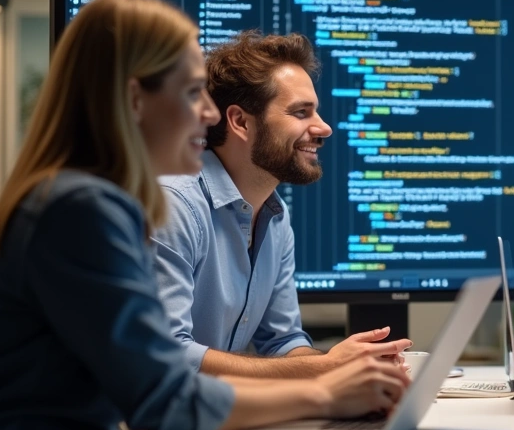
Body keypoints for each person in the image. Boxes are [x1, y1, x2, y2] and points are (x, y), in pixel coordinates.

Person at [0, 0, 409, 430]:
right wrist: (327, 392)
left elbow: (170, 379)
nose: (210, 116)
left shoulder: (77, 198)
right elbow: (166, 398)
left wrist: (336, 381)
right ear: (134, 100)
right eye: (192, 92)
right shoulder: (81, 209)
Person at [152, 31, 410, 379]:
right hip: (147, 429)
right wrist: (322, 367)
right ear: (240, 122)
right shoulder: (173, 206)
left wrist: (347, 371)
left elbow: (283, 342)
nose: (324, 128)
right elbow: (167, 352)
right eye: (301, 113)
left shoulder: (275, 216)